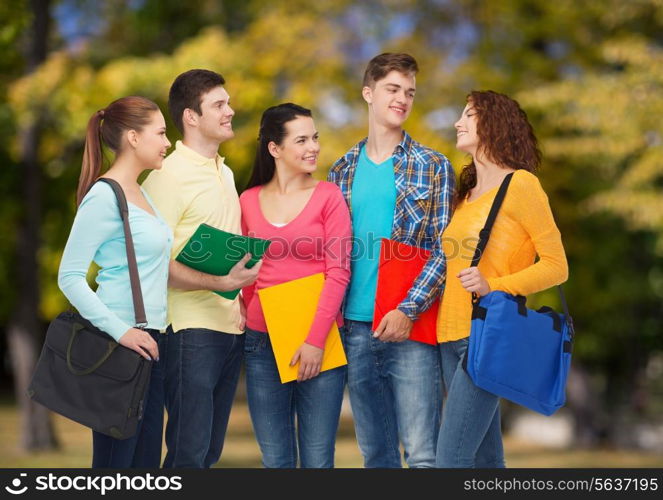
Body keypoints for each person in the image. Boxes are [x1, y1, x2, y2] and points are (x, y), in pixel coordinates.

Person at [327, 53, 455, 468]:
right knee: (376, 455)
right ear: (368, 93)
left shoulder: (433, 166)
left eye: (410, 92)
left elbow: (445, 248)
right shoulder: (341, 169)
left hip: (411, 328)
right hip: (356, 329)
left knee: (422, 456)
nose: (403, 98)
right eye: (393, 89)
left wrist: (407, 308)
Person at [435, 90, 569, 468]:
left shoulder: (522, 186)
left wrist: (495, 286)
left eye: (469, 115)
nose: (458, 122)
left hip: (488, 336)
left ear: (494, 123)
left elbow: (557, 266)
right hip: (448, 337)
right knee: (486, 462)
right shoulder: (464, 195)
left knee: (450, 463)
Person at [141, 69, 261, 468]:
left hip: (229, 327)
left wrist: (237, 293)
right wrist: (220, 281)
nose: (231, 111)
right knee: (188, 454)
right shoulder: (166, 176)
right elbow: (151, 263)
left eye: (228, 103)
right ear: (192, 117)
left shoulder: (223, 172)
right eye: (219, 105)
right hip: (189, 330)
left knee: (208, 453)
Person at [58, 96, 173, 468]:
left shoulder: (142, 194)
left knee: (143, 470)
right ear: (134, 138)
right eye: (161, 132)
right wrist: (122, 332)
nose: (167, 142)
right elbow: (70, 277)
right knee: (113, 471)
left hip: (152, 343)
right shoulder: (104, 197)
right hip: (120, 346)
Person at [240, 103, 352, 468]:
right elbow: (243, 272)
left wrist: (314, 341)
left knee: (318, 460)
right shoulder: (247, 201)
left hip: (320, 340)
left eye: (315, 137)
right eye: (301, 140)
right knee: (275, 460)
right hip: (262, 343)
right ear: (275, 148)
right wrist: (241, 306)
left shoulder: (329, 197)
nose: (313, 147)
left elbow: (339, 272)